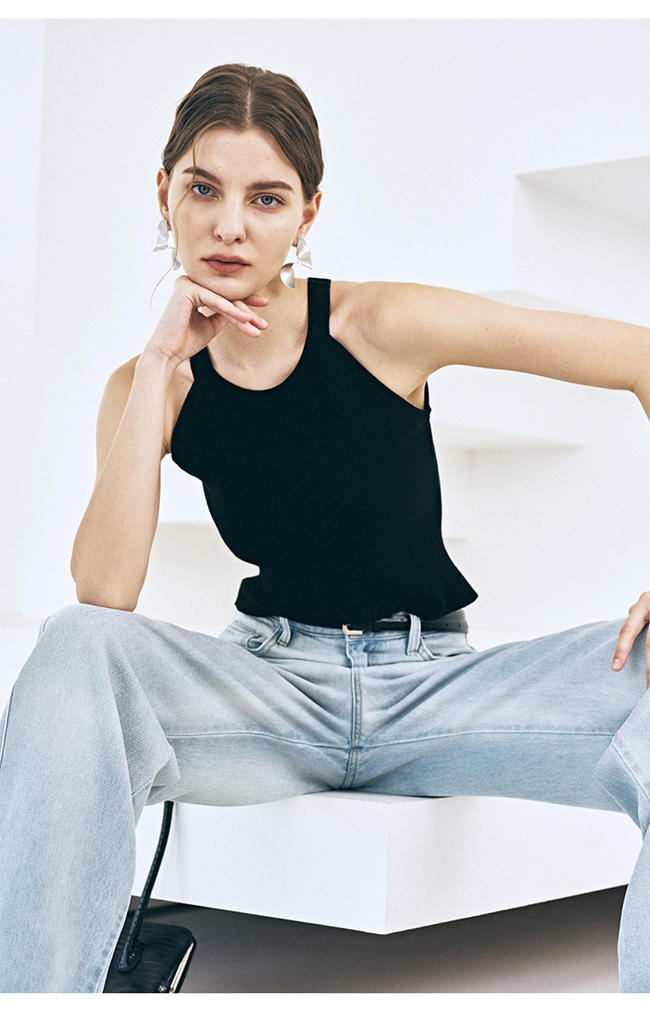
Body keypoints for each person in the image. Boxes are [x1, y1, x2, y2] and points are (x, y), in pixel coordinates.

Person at [0, 63, 647, 995]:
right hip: (270, 692)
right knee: (73, 644)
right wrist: (159, 363)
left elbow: (640, 357)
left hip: (435, 692)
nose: (231, 226)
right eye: (205, 190)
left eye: (265, 198)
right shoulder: (147, 386)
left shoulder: (378, 323)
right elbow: (105, 595)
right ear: (164, 194)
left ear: (306, 214)